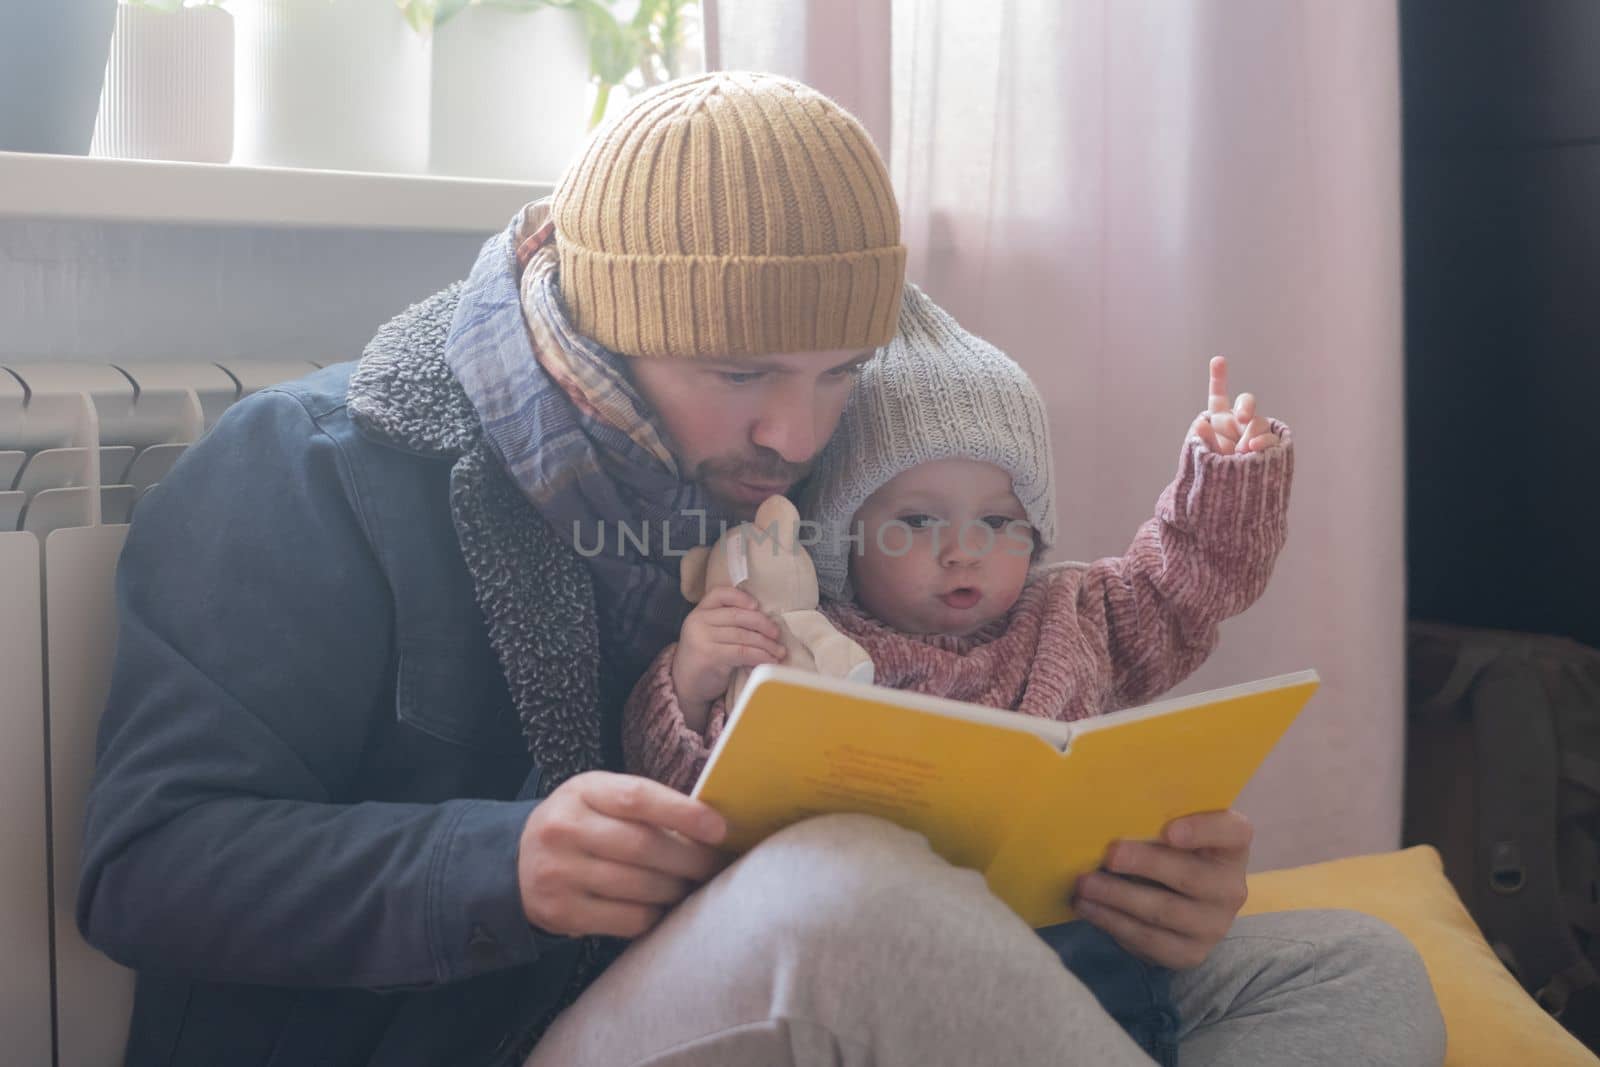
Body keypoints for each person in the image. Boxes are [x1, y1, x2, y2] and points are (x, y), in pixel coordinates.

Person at [77, 72, 1444, 1067]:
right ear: (608, 329)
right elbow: (147, 864)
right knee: (846, 896)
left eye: (839, 375)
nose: (794, 433)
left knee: (1346, 959)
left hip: (787, 987)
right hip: (486, 1026)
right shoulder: (312, 465)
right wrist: (502, 862)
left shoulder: (814, 498)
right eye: (741, 374)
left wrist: (1125, 879)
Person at [620, 286, 1435, 1066]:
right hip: (917, 988)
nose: (963, 549)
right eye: (917, 520)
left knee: (1368, 962)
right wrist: (692, 681)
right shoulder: (808, 642)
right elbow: (703, 795)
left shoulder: (1070, 612)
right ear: (842, 537)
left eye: (999, 521)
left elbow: (1181, 586)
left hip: (1098, 950)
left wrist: (1222, 475)